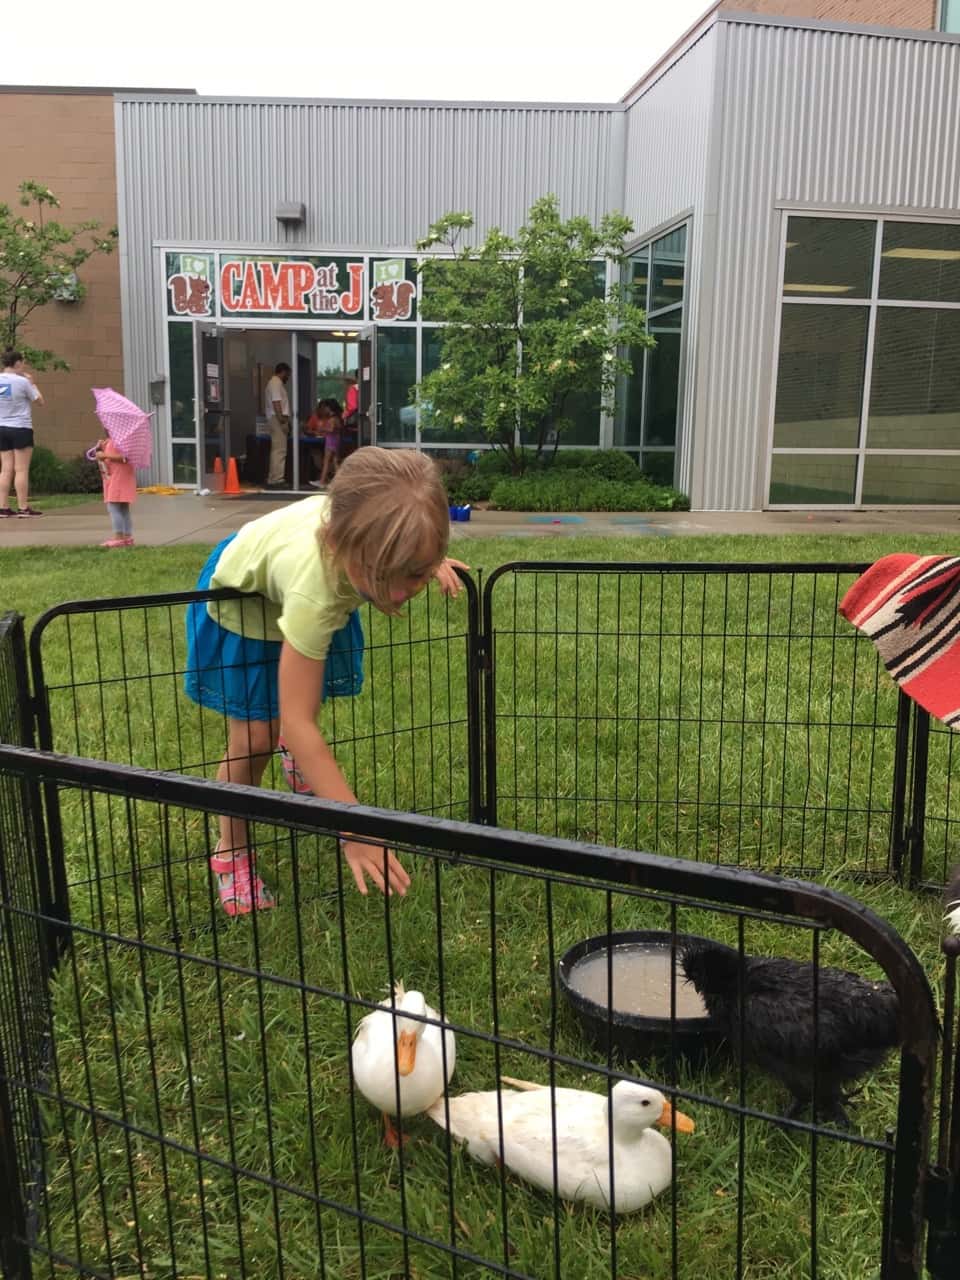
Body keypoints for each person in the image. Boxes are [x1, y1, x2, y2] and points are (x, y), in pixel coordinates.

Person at [184, 446, 468, 915]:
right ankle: (230, 853)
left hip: (299, 585)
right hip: (243, 600)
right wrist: (355, 829)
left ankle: (299, 761)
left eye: (416, 572)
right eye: (387, 575)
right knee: (256, 737)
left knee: (294, 706)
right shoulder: (313, 592)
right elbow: (299, 721)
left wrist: (425, 558)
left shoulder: (371, 534)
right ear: (342, 543)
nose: (401, 593)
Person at [0, 349, 44, 518]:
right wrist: (33, 383)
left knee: (5, 470)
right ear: (17, 363)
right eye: (23, 362)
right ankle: (23, 507)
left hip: (1, 428)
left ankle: (3, 507)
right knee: (21, 470)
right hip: (20, 428)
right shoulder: (22, 382)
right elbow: (40, 401)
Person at [93, 433, 137, 548]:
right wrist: (99, 448)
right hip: (117, 476)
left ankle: (119, 537)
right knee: (123, 508)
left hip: (119, 477)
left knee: (113, 506)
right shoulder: (114, 440)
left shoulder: (120, 440)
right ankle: (127, 536)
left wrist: (105, 455)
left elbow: (125, 457)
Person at [264, 361, 291, 489]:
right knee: (279, 450)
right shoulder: (275, 383)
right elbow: (276, 402)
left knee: (277, 449)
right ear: (283, 372)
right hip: (277, 418)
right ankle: (276, 479)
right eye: (288, 375)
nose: (288, 378)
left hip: (276, 418)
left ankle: (273, 478)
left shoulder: (274, 383)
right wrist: (282, 420)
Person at [307, 397, 342, 489]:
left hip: (330, 441)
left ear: (329, 408)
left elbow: (331, 429)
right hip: (336, 441)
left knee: (326, 461)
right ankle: (339, 481)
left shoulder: (332, 419)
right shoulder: (337, 418)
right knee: (335, 462)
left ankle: (322, 481)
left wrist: (322, 429)